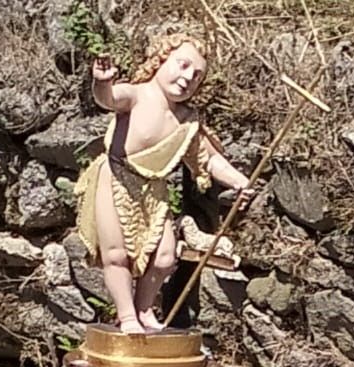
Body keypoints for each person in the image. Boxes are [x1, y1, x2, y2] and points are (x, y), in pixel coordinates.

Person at [74, 29, 256, 333]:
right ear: (161, 60)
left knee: (164, 257)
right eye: (182, 65)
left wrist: (238, 181)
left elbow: (208, 159)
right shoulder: (137, 94)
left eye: (197, 76)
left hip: (154, 192)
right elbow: (107, 99)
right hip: (116, 179)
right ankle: (127, 316)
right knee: (116, 255)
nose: (187, 78)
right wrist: (102, 81)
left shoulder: (186, 120)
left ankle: (144, 309)